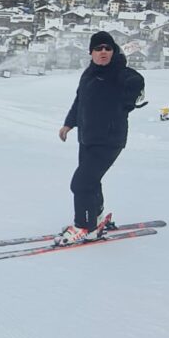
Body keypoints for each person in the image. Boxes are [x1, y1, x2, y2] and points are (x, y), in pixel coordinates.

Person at [56, 32, 145, 245]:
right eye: (98, 48)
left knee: (81, 184)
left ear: (113, 52)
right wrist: (69, 124)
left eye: (108, 48)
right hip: (87, 138)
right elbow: (80, 102)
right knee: (91, 182)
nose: (103, 51)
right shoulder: (89, 74)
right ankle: (94, 218)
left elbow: (134, 81)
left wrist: (135, 91)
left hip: (109, 140)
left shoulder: (118, 72)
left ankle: (84, 227)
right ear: (91, 53)